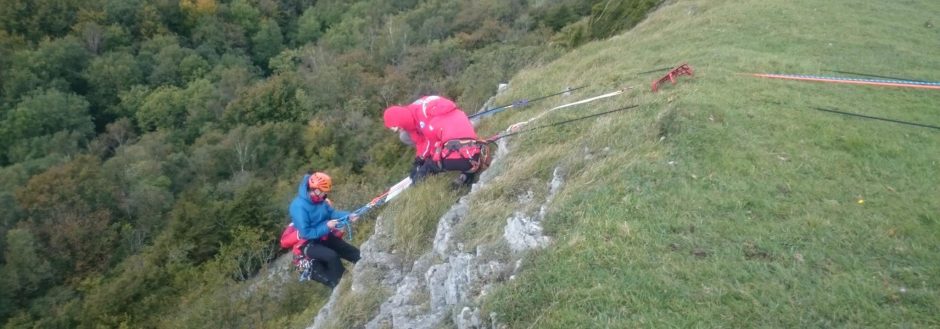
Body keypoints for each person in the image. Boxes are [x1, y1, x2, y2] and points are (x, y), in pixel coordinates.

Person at [383, 95, 491, 186]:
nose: (395, 130)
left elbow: (432, 143)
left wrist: (425, 166)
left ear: (401, 120)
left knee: (432, 165)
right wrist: (419, 160)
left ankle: (468, 170)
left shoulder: (423, 118)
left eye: (396, 127)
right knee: (430, 159)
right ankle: (468, 167)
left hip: (461, 146)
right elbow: (421, 141)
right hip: (461, 130)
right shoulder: (413, 112)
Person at [288, 171, 360, 288]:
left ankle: (366, 262)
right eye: (323, 192)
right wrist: (327, 226)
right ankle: (343, 286)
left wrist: (348, 215)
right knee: (331, 256)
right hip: (307, 243)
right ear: (314, 189)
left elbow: (332, 213)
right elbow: (306, 233)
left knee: (347, 249)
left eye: (325, 193)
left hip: (323, 235)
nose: (324, 196)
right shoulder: (298, 207)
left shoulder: (320, 200)